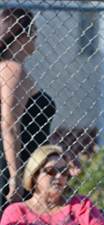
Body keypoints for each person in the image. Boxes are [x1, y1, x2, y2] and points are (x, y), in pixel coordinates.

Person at [0, 9, 56, 207]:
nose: (36, 37)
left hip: (26, 166)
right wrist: (15, 175)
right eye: (34, 32)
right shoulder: (11, 69)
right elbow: (9, 124)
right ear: (22, 36)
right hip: (14, 168)